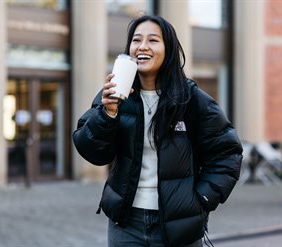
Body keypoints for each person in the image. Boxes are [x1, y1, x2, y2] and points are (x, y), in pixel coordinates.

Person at [73, 15, 242, 247]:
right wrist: (107, 114)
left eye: (153, 40)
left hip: (178, 224)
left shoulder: (191, 99)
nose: (142, 47)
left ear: (168, 49)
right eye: (136, 40)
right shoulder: (115, 96)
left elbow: (227, 153)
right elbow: (93, 151)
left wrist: (200, 200)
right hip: (126, 223)